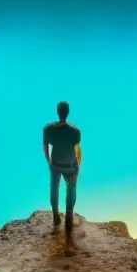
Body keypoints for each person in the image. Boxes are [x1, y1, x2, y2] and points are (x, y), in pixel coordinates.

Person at [43, 101, 82, 242]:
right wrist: (79, 164)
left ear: (57, 112)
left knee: (54, 187)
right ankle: (69, 216)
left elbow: (45, 145)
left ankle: (55, 216)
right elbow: (77, 148)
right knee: (71, 188)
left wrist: (49, 161)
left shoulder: (47, 129)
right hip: (70, 165)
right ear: (68, 112)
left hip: (55, 164)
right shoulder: (75, 131)